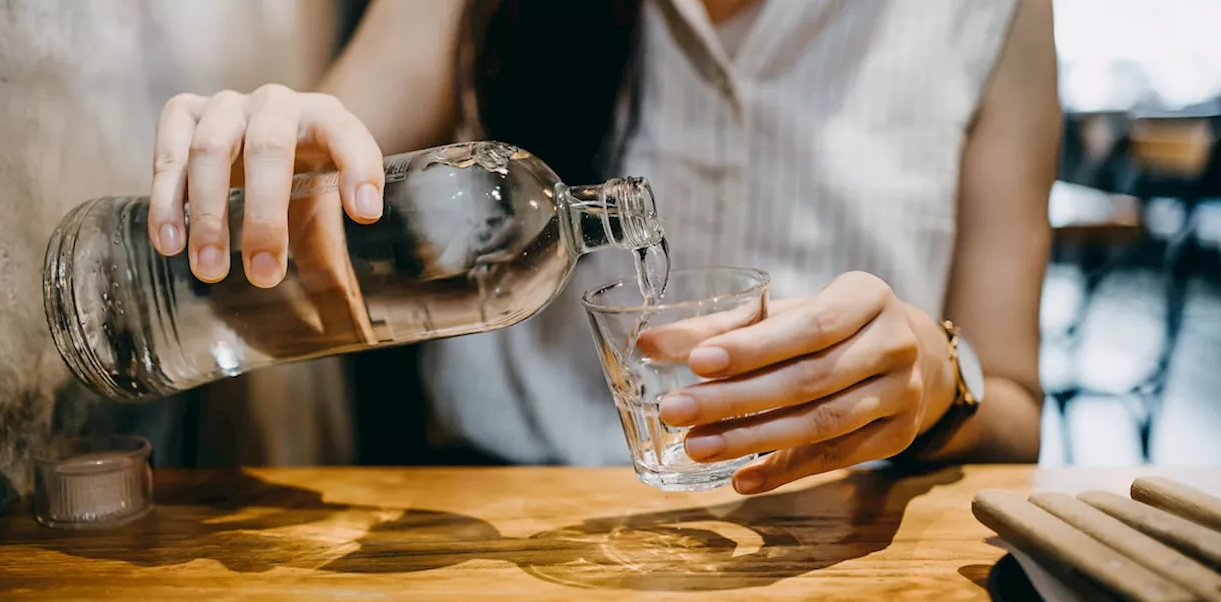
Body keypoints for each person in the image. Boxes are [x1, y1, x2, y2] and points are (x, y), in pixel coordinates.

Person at [147, 0, 1059, 493]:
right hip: (503, 529)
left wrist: (937, 378)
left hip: (828, 541)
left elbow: (1014, 411)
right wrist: (277, 143)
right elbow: (340, 144)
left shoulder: (988, 14)